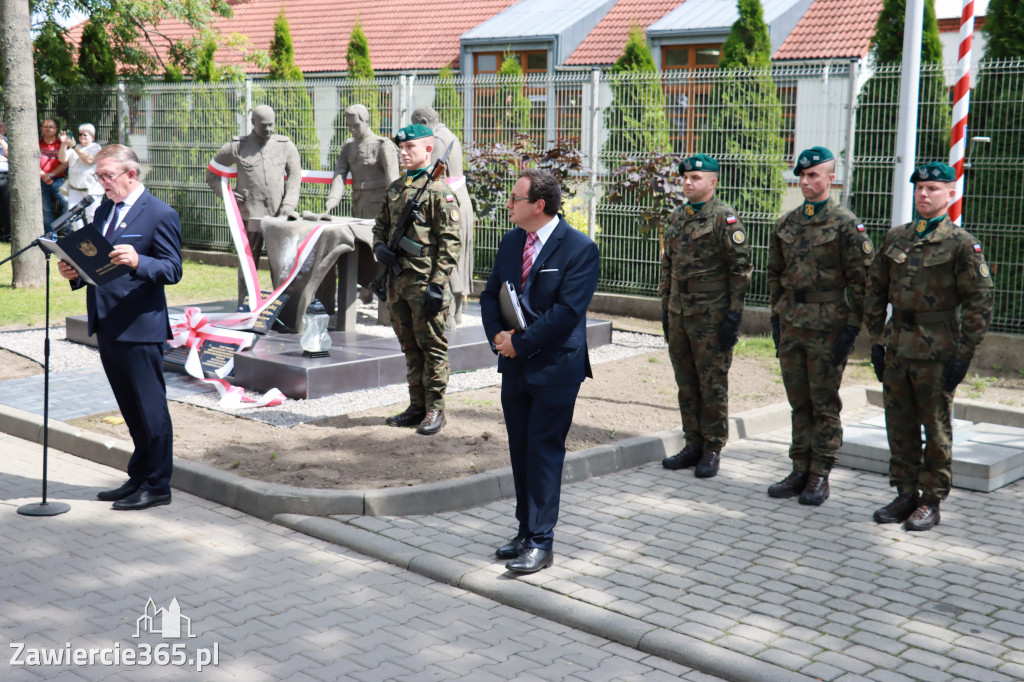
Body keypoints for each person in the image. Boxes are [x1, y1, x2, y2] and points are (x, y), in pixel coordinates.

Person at [479, 168, 600, 574]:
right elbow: (490, 293)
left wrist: (521, 343)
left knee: (544, 453)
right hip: (514, 366)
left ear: (538, 205)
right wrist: (498, 335)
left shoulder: (579, 249)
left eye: (515, 198)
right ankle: (524, 530)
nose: (509, 204)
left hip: (555, 369)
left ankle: (542, 542)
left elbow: (567, 313)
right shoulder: (512, 241)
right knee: (519, 451)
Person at [865, 162, 993, 531]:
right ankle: (905, 492)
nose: (924, 194)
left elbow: (979, 303)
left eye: (933, 188)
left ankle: (931, 499)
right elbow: (875, 289)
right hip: (897, 344)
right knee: (899, 424)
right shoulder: (896, 237)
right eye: (919, 188)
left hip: (937, 350)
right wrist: (876, 338)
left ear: (950, 194)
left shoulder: (962, 244)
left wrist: (964, 353)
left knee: (935, 428)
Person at [57, 144, 183, 510]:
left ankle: (159, 485)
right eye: (98, 177)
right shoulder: (104, 209)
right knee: (130, 410)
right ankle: (139, 476)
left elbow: (172, 269)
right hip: (107, 322)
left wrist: (139, 261)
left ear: (132, 173)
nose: (102, 184)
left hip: (140, 326)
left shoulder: (160, 214)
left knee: (151, 410)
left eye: (107, 176)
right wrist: (75, 273)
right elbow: (96, 263)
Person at [766, 146, 874, 506]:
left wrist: (851, 328)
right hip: (792, 323)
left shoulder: (846, 224)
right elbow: (775, 275)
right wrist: (777, 316)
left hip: (829, 325)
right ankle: (799, 467)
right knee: (799, 402)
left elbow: (863, 281)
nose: (805, 181)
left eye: (814, 175)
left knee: (824, 402)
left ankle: (819, 474)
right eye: (802, 175)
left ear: (831, 178)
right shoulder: (787, 222)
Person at [659, 154, 751, 479]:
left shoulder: (724, 219)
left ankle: (713, 447)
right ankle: (693, 443)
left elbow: (739, 270)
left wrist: (733, 317)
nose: (687, 182)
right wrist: (665, 308)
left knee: (712, 383)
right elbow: (667, 266)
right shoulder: (677, 216)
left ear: (713, 182)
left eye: (696, 178)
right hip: (679, 312)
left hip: (710, 317)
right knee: (685, 382)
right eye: (685, 177)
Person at [372, 124, 461, 436]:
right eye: (401, 147)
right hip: (398, 282)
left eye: (410, 147)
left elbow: (451, 244)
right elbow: (380, 225)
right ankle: (416, 406)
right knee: (409, 346)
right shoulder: (396, 188)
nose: (403, 152)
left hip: (425, 285)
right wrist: (379, 248)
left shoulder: (439, 192)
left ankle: (436, 410)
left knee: (432, 347)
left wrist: (437, 285)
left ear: (427, 150)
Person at [206, 105, 302, 306]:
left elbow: (295, 176)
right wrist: (229, 195)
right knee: (248, 263)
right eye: (264, 126)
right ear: (253, 123)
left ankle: (282, 306)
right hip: (250, 216)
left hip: (279, 216)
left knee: (282, 265)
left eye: (271, 125)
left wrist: (289, 203)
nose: (269, 130)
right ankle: (246, 305)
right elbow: (212, 174)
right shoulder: (238, 146)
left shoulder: (285, 145)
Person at [324, 104, 399, 309]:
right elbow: (339, 174)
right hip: (358, 205)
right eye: (349, 126)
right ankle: (366, 291)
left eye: (356, 125)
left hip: (380, 206)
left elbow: (393, 179)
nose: (352, 130)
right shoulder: (348, 147)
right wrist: (333, 198)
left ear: (366, 121)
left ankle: (385, 294)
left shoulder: (383, 145)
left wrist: (396, 207)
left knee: (381, 248)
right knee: (361, 250)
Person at [411, 106, 474, 329]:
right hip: (459, 200)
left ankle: (448, 316)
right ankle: (456, 314)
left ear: (425, 121)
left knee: (444, 255)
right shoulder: (450, 136)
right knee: (457, 255)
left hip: (447, 205)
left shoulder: (436, 140)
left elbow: (431, 176)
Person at [58, 123, 104, 226]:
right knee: (72, 215)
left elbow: (89, 160)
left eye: (85, 135)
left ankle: (94, 239)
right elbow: (62, 159)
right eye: (80, 134)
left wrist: (74, 146)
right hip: (75, 188)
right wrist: (64, 144)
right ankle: (80, 237)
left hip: (92, 189)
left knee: (92, 216)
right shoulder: (76, 148)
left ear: (92, 137)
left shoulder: (95, 147)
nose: (82, 137)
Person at [39, 118, 68, 233]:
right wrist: (43, 175)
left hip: (59, 180)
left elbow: (65, 163)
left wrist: (50, 175)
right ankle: (50, 235)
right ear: (41, 128)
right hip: (41, 180)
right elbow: (31, 161)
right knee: (46, 210)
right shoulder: (37, 143)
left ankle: (63, 229)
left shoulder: (61, 144)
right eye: (45, 126)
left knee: (68, 203)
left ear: (56, 130)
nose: (48, 129)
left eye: (51, 127)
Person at [0, 121, 9, 241]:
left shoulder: (8, 141)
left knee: (7, 207)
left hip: (5, 176)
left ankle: (8, 235)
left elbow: (10, 155)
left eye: (1, 126)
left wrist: (2, 141)